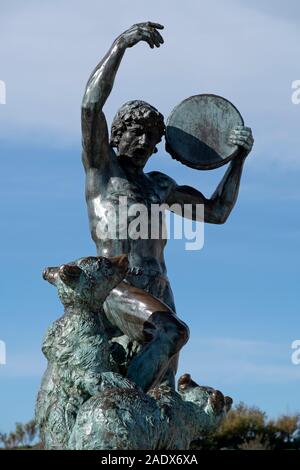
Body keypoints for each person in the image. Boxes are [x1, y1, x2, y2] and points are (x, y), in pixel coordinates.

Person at [81, 22, 254, 392]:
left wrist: (238, 159)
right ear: (117, 134)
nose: (144, 141)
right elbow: (90, 104)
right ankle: (120, 408)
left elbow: (218, 211)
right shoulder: (103, 170)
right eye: (136, 131)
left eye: (152, 136)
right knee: (172, 333)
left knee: (166, 391)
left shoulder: (161, 185)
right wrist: (120, 46)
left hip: (161, 288)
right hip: (117, 284)